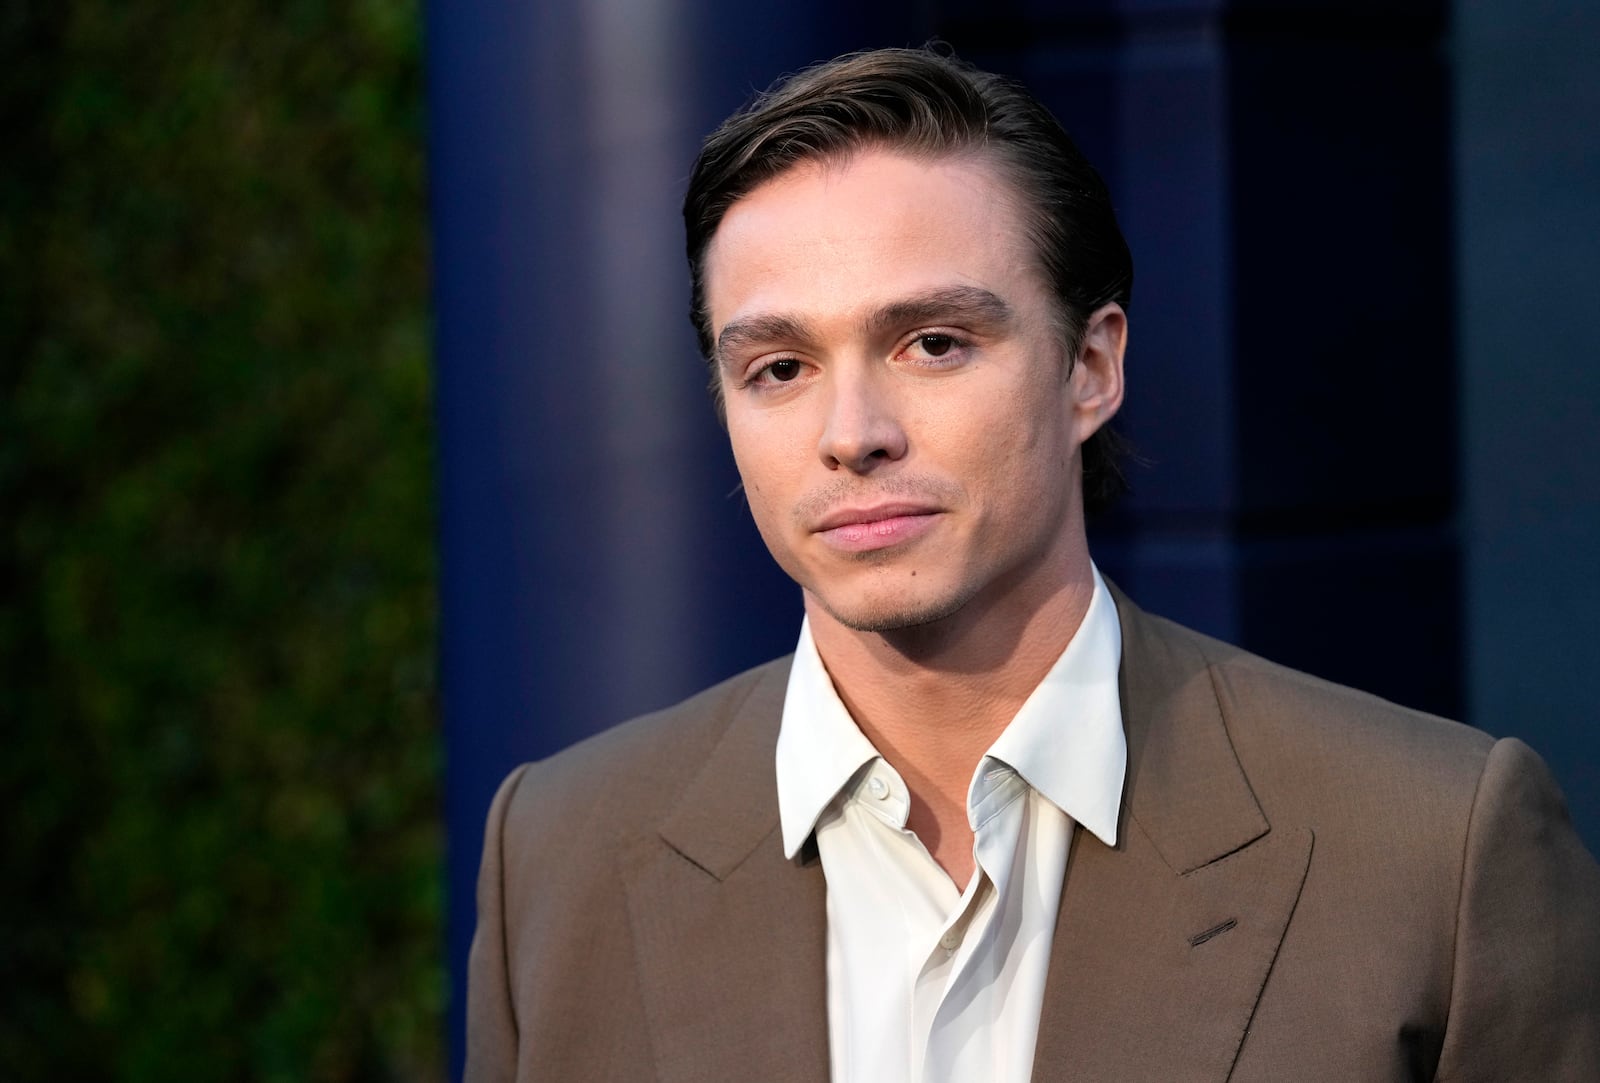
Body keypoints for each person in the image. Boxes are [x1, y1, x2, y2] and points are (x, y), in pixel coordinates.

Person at [465, 46, 1600, 1082]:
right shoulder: (560, 859)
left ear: (1090, 367)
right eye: (778, 367)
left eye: (933, 344)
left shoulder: (1430, 849)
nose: (850, 431)